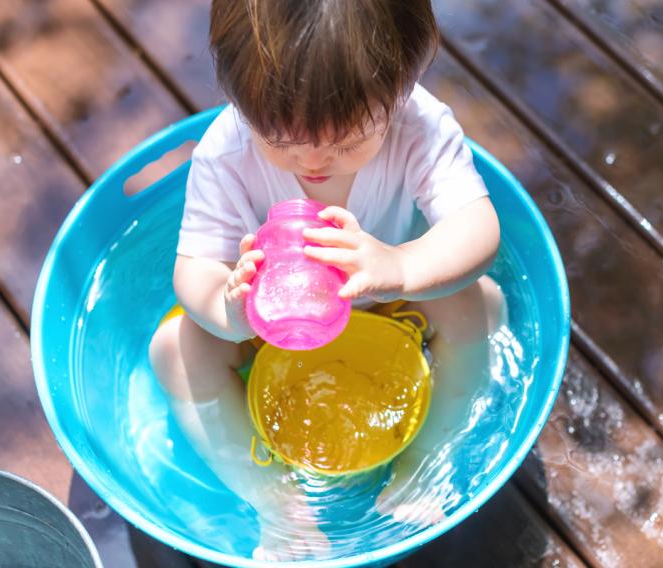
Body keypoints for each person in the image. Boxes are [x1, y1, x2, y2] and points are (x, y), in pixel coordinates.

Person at [149, 0, 506, 560]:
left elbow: (478, 228)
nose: (313, 161)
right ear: (241, 101)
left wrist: (399, 268)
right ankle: (277, 507)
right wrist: (231, 306)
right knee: (174, 348)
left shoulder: (419, 125)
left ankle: (422, 466)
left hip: (382, 301)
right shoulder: (228, 149)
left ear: (402, 86)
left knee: (478, 304)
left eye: (345, 143)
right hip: (271, 320)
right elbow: (193, 269)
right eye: (281, 141)